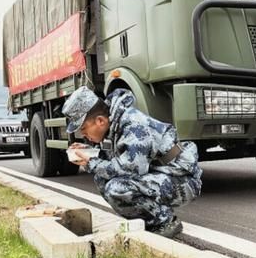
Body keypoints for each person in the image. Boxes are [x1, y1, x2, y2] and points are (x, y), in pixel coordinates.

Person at [62, 86, 202, 238]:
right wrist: (90, 152)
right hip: (159, 173)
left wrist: (91, 162)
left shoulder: (133, 124)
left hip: (183, 180)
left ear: (100, 121)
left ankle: (165, 221)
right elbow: (119, 158)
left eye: (84, 129)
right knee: (102, 178)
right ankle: (145, 222)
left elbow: (130, 169)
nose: (83, 134)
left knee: (117, 188)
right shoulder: (115, 122)